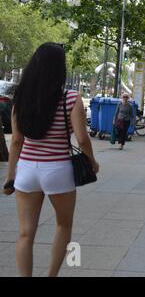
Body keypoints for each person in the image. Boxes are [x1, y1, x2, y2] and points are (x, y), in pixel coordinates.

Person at [2, 42, 99, 277]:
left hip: (26, 170)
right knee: (63, 225)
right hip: (58, 170)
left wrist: (10, 176)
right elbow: (82, 138)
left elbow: (16, 141)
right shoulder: (70, 98)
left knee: (25, 233)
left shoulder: (20, 98)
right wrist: (91, 162)